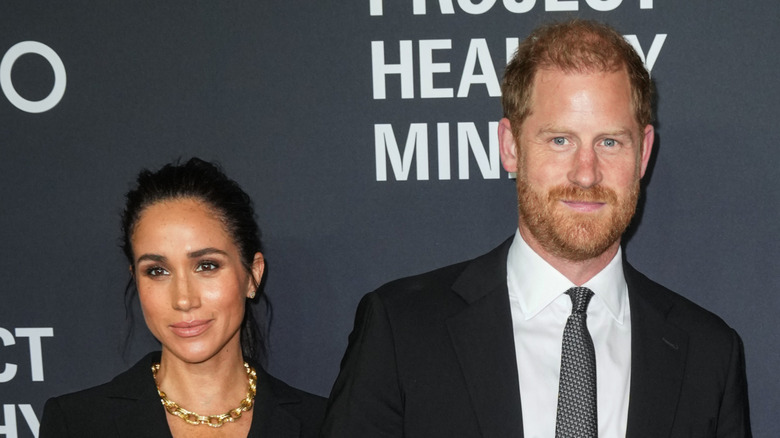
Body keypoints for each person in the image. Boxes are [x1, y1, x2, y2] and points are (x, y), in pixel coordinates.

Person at [321, 19, 751, 437]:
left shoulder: (709, 353)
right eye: (560, 140)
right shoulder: (401, 331)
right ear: (510, 147)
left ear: (643, 154)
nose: (586, 174)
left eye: (610, 142)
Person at [40, 158, 326, 437]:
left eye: (207, 265)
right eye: (157, 271)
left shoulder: (323, 424)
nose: (184, 300)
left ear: (252, 276)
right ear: (136, 280)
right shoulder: (77, 424)